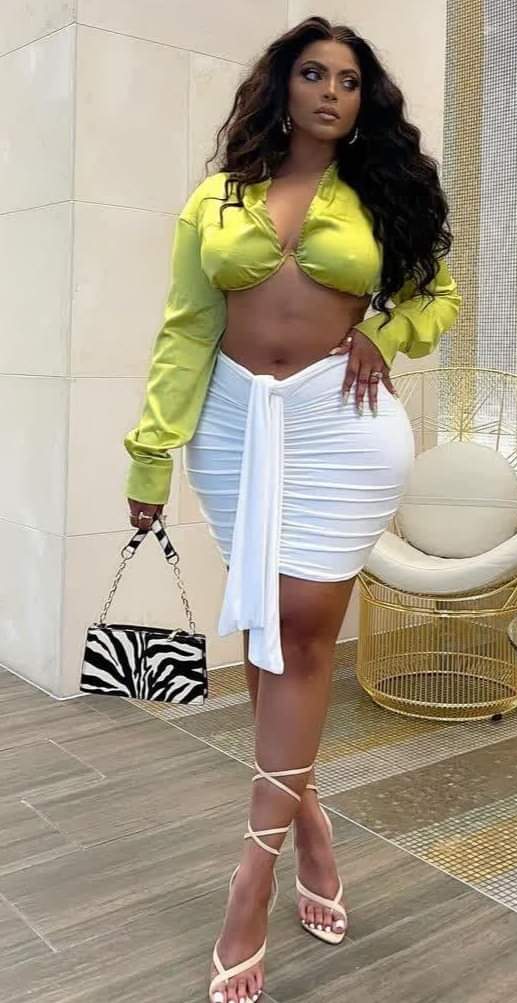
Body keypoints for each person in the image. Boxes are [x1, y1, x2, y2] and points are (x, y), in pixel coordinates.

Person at [123, 15, 462, 1003]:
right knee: (268, 638)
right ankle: (308, 818)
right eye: (312, 73)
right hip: (233, 426)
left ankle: (252, 875)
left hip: (339, 423)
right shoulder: (216, 198)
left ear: (363, 102)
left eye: (347, 81)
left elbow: (438, 296)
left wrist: (386, 333)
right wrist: (149, 453)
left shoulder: (385, 195)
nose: (329, 92)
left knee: (305, 630)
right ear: (281, 87)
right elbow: (186, 329)